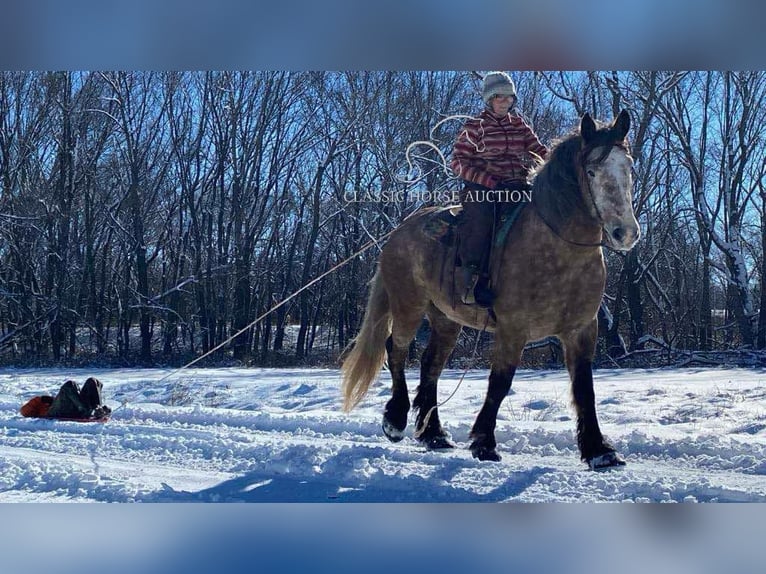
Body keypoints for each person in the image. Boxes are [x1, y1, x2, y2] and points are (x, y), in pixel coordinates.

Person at [450, 71, 548, 307]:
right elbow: (457, 162)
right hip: (483, 188)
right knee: (481, 221)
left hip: (519, 186)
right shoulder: (474, 127)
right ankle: (473, 280)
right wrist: (489, 181)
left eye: (509, 97)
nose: (505, 101)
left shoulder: (519, 126)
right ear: (489, 99)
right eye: (499, 97)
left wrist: (557, 164)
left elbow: (540, 151)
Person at [20, 377, 111, 419]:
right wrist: (40, 399)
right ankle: (85, 410)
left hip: (71, 407)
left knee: (92, 381)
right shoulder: (38, 402)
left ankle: (98, 409)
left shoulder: (55, 401)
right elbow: (24, 412)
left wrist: (52, 400)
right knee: (69, 385)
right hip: (51, 414)